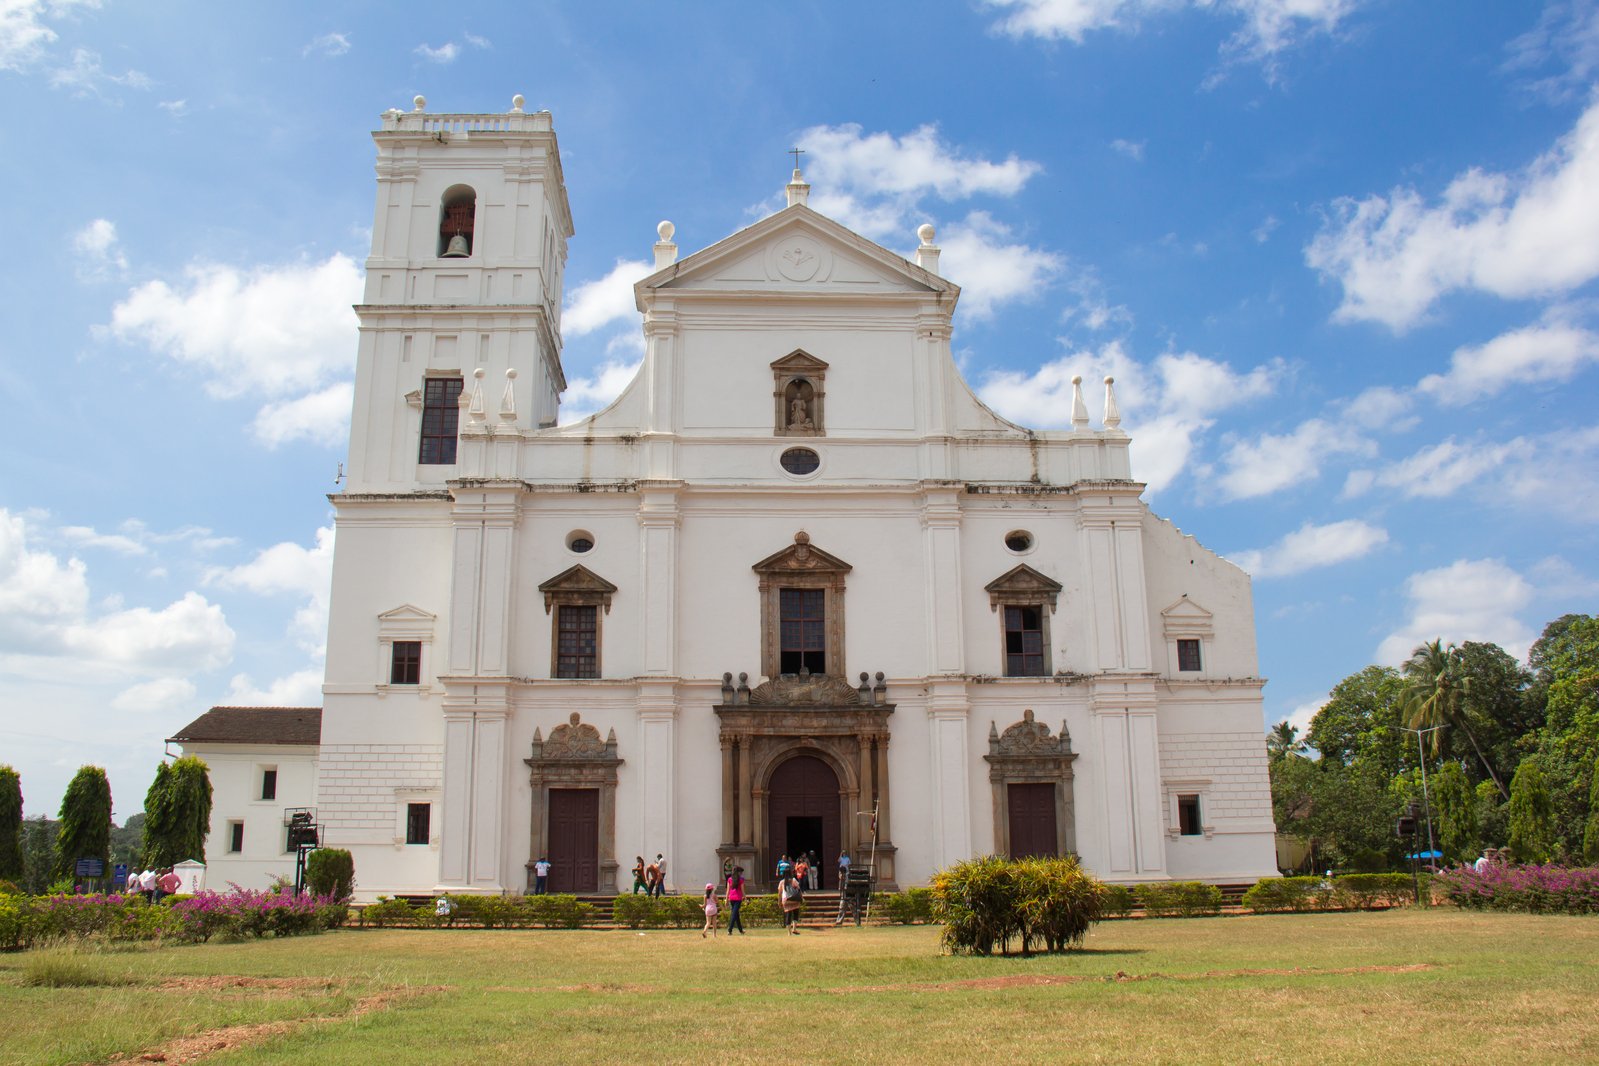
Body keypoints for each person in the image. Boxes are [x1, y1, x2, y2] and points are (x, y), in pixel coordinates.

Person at [779, 869, 804, 934]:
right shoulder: (794, 880)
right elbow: (799, 889)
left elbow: (780, 893)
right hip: (795, 899)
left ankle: (789, 932)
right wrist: (801, 898)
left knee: (788, 915)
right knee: (795, 913)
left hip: (786, 900)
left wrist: (779, 902)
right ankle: (794, 929)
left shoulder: (782, 882)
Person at [726, 866, 747, 935]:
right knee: (734, 914)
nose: (741, 874)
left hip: (731, 898)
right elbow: (743, 890)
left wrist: (727, 899)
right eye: (741, 872)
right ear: (738, 872)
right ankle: (730, 929)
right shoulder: (741, 880)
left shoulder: (729, 879)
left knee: (736, 914)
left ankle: (741, 930)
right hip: (738, 898)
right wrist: (745, 899)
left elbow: (728, 890)